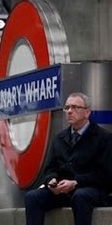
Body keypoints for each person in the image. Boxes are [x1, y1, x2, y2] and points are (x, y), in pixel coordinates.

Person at [24, 92, 112, 225]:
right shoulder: (59, 138)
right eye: (67, 108)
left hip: (91, 190)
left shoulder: (103, 138)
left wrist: (76, 182)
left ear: (87, 112)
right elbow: (50, 168)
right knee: (32, 197)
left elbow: (106, 175)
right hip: (62, 191)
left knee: (80, 196)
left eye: (75, 107)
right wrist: (51, 180)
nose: (69, 111)